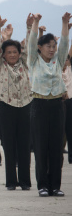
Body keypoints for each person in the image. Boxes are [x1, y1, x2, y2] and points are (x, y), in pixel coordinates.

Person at [28, 12, 71, 197]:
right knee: (41, 147)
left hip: (57, 106)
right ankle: (43, 186)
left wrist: (64, 23)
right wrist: (36, 23)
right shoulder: (34, 61)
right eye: (48, 46)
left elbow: (65, 44)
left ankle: (55, 186)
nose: (52, 49)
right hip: (39, 105)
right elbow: (30, 44)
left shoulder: (58, 61)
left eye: (53, 46)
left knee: (56, 148)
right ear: (40, 47)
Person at [0, 15, 33, 191]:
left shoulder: (25, 64)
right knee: (8, 144)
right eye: (8, 52)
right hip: (6, 107)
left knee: (24, 144)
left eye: (15, 52)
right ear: (4, 55)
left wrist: (29, 28)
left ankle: (25, 181)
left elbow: (29, 49)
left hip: (25, 105)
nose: (12, 55)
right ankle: (11, 181)